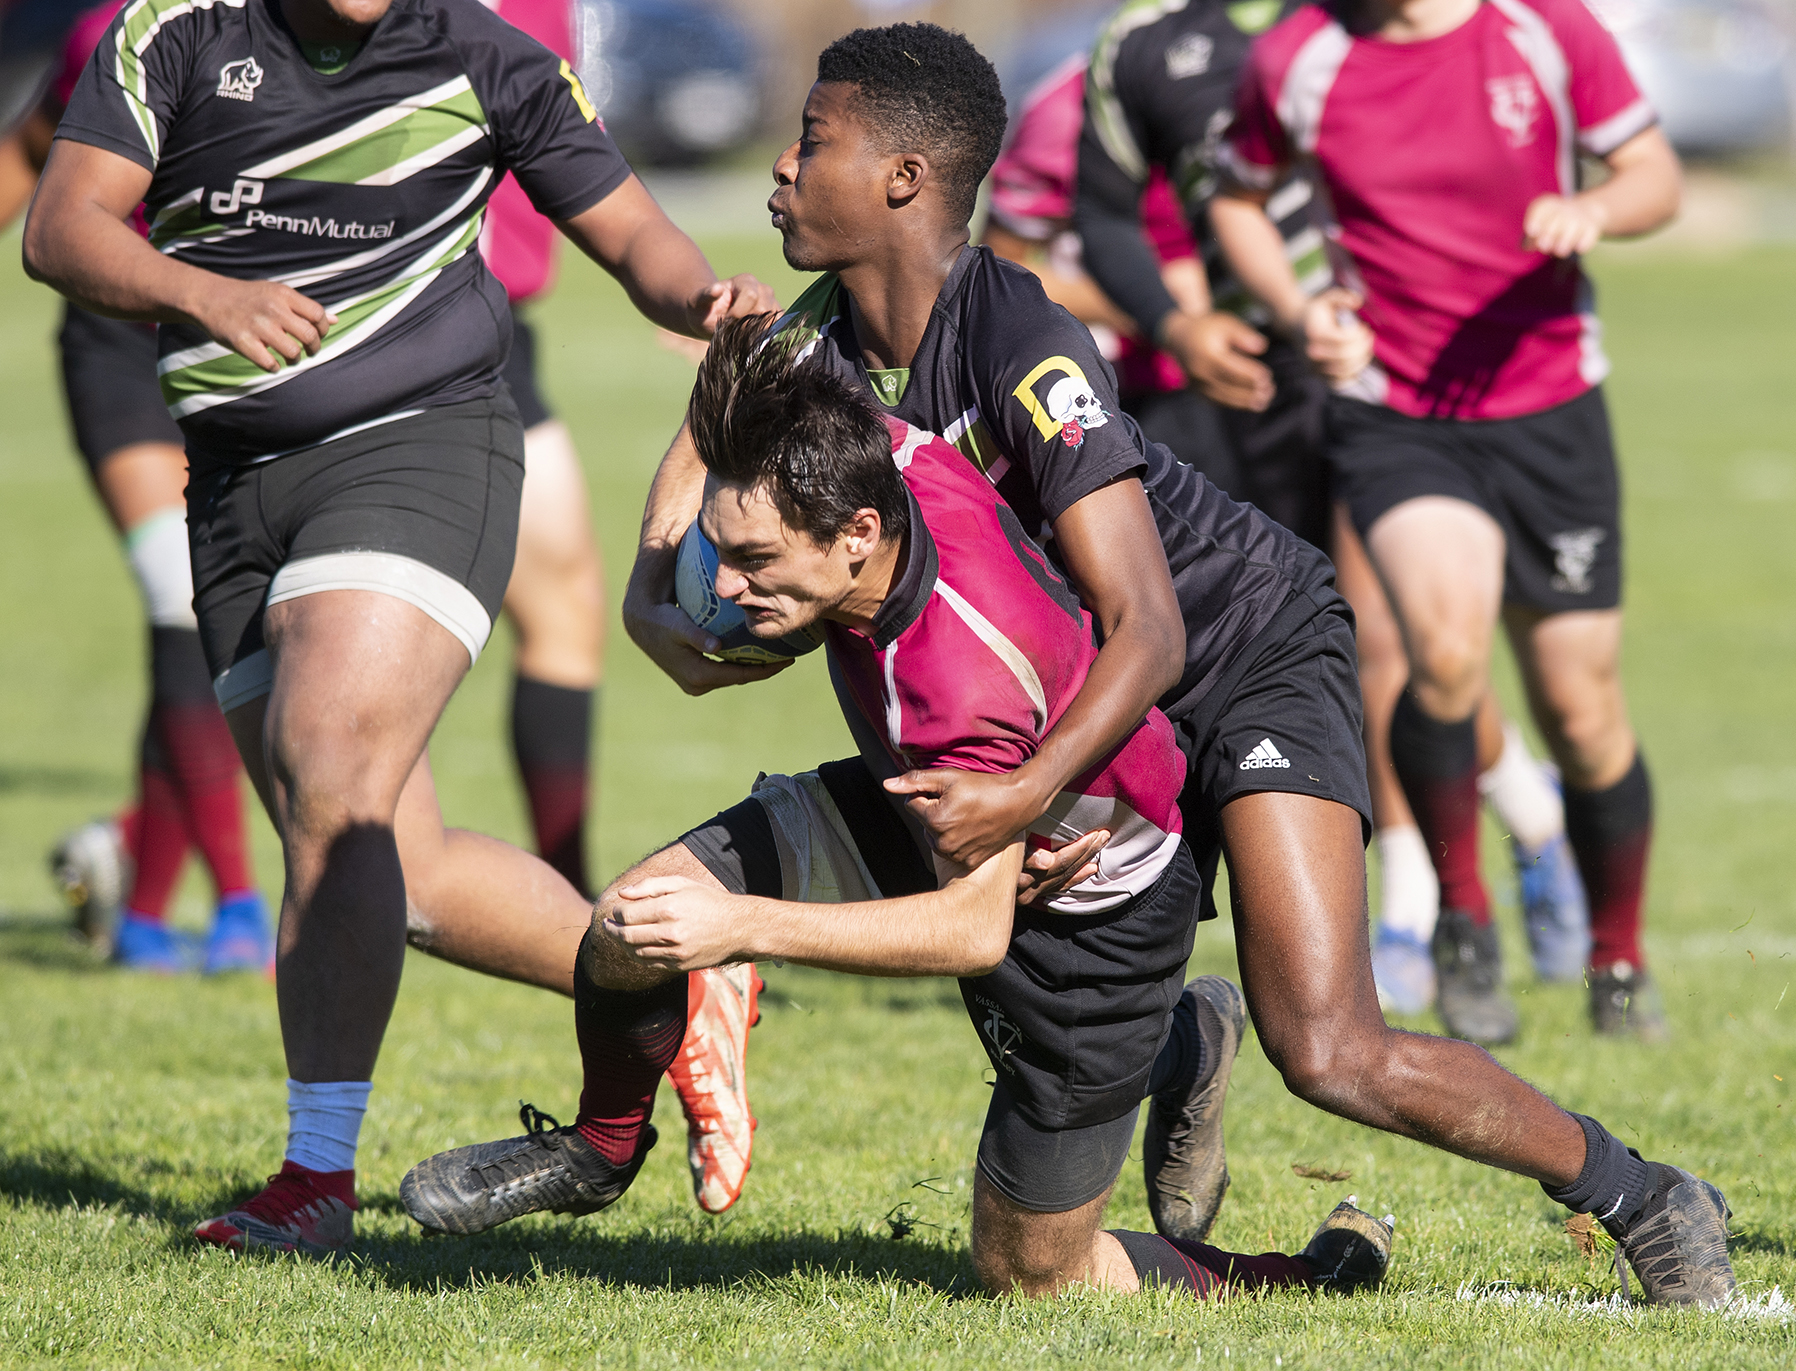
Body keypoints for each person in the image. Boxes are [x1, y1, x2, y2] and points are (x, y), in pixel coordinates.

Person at [601, 23, 1728, 1306]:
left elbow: (1149, 626)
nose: (782, 167)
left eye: (813, 142)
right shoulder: (816, 351)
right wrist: (658, 598)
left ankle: (1641, 1193)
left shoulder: (1021, 339)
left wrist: (1028, 796)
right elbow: (721, 458)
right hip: (1083, 705)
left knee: (1328, 1045)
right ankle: (1177, 1056)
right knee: (1029, 1238)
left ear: (905, 178)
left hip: (1237, 650)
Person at [399, 316, 1397, 1299]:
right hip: (920, 800)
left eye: (756, 563)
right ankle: (600, 1149)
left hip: (1090, 913)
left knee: (1034, 1274)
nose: (730, 587)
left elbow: (970, 930)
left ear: (858, 536)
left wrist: (740, 927)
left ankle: (1292, 1253)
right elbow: (732, 404)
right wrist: (655, 577)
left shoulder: (962, 688)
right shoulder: (883, 453)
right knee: (635, 914)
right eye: (721, 551)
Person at [23, 0, 773, 1255]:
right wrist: (202, 293)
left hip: (421, 448)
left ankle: (315, 1178)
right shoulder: (173, 34)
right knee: (388, 868)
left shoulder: (486, 55)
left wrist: (701, 294)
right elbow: (60, 228)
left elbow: (631, 226)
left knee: (331, 768)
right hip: (232, 488)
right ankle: (682, 975)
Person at [1074, 0, 1587, 1040]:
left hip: (1373, 375)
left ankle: (1412, 908)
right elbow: (1107, 219)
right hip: (1222, 392)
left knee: (1391, 640)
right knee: (1251, 647)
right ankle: (1532, 807)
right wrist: (1178, 325)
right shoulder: (1143, 42)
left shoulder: (1363, 23)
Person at [1211, 0, 1680, 1041]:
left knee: (1581, 711)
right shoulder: (1300, 54)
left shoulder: (1545, 30)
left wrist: (1595, 210)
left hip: (1553, 410)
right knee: (1447, 650)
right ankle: (1462, 917)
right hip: (1398, 414)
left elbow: (1656, 175)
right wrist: (1303, 309)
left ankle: (1617, 956)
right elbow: (1238, 199)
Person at [480, 0, 761, 1216]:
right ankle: (612, 936)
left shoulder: (510, 23)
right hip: (464, 340)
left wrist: (700, 303)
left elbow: (597, 189)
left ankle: (623, 951)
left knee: (361, 829)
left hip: (428, 347)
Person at [2, 1, 271, 975]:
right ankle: (237, 900)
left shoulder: (301, 35)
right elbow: (30, 152)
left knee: (240, 620)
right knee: (176, 592)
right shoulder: (112, 30)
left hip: (241, 343)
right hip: (118, 344)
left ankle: (139, 893)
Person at [981, 53, 1233, 493]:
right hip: (1125, 397)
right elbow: (999, 270)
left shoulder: (1240, 68)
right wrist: (1150, 304)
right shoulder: (1064, 110)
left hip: (1261, 369)